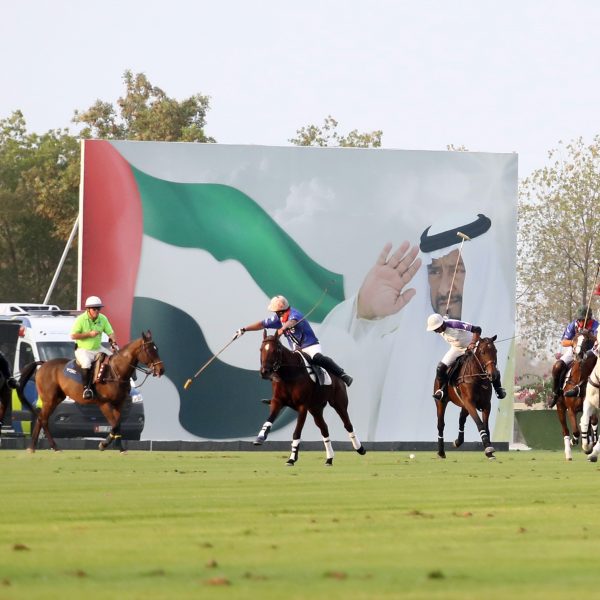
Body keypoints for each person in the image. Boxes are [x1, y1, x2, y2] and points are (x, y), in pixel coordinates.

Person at [236, 295, 353, 386]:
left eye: (276, 312)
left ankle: (343, 375)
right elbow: (261, 324)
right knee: (278, 364)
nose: (275, 314)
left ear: (281, 310)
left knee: (317, 358)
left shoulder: (294, 314)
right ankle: (279, 397)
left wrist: (283, 328)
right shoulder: (279, 318)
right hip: (296, 351)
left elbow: (291, 322)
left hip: (310, 346)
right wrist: (244, 329)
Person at [426, 312, 506, 400]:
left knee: (490, 366)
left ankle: (498, 389)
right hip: (456, 349)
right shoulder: (442, 325)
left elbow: (477, 329)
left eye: (436, 329)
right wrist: (445, 318)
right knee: (440, 368)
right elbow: (444, 320)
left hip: (472, 347)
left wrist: (473, 343)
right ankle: (441, 391)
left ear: (441, 324)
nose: (435, 331)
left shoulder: (455, 324)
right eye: (434, 329)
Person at [550, 305, 599, 408]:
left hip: (591, 352)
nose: (581, 322)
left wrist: (590, 336)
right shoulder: (573, 325)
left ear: (589, 318)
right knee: (557, 366)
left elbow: (598, 341)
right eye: (580, 319)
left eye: (583, 319)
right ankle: (556, 393)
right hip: (574, 351)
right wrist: (574, 342)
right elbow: (564, 342)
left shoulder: (596, 325)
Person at [71, 296, 118, 399]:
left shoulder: (103, 318)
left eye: (98, 308)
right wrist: (89, 334)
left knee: (115, 357)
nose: (97, 311)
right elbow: (73, 336)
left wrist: (114, 342)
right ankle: (86, 389)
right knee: (87, 363)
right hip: (83, 349)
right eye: (94, 309)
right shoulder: (80, 319)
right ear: (88, 309)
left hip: (97, 348)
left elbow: (111, 333)